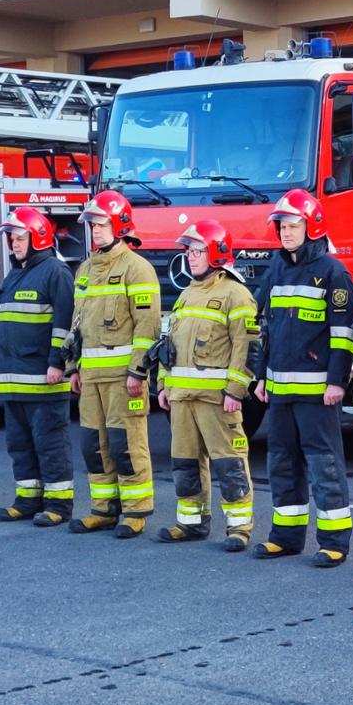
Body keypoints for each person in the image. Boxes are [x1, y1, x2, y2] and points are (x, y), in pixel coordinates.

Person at [252, 189, 353, 567]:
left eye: (293, 225)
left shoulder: (333, 272)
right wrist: (261, 377)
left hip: (317, 391)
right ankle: (285, 537)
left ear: (312, 226)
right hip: (280, 390)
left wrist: (337, 381)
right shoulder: (277, 269)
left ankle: (334, 542)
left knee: (323, 466)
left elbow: (344, 333)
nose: (285, 232)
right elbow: (266, 328)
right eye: (281, 226)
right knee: (281, 464)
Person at [155, 220, 259, 550]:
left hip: (216, 399)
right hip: (181, 397)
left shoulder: (236, 294)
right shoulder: (187, 294)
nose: (191, 256)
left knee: (229, 464)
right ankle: (191, 523)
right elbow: (168, 343)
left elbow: (246, 347)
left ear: (217, 251)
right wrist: (162, 384)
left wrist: (235, 391)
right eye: (188, 250)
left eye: (198, 250)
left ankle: (239, 527)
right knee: (185, 464)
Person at [66, 191, 161, 538]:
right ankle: (103, 509)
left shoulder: (137, 269)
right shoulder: (85, 269)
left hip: (124, 378)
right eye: (92, 224)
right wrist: (73, 367)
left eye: (101, 224)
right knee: (94, 445)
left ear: (119, 225)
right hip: (90, 376)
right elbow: (77, 323)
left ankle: (135, 511)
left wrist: (138, 371)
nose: (95, 230)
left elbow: (147, 326)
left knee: (126, 444)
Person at [0, 207, 77, 526]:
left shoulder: (56, 272)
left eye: (19, 237)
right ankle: (27, 499)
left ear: (37, 237)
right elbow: (2, 324)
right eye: (11, 237)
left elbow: (64, 323)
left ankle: (58, 505)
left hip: (44, 379)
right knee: (19, 445)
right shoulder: (14, 275)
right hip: (13, 380)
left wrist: (57, 363)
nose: (13, 242)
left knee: (50, 444)